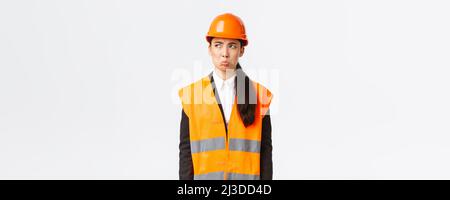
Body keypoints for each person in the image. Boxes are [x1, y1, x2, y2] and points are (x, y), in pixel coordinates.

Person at [178, 13, 273, 180]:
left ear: (241, 50)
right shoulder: (192, 96)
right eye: (218, 45)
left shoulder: (260, 96)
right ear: (209, 49)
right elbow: (186, 152)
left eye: (232, 46)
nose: (224, 53)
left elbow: (265, 151)